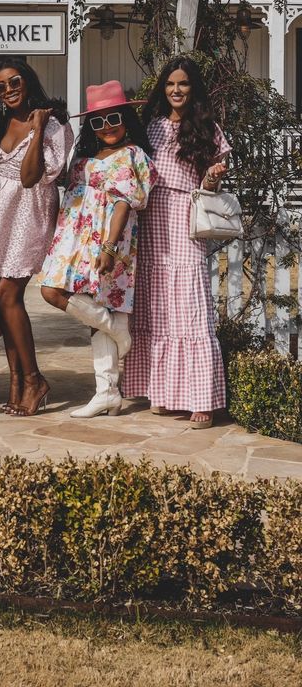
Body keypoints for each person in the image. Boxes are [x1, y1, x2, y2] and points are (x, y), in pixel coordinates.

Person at [123, 57, 231, 428]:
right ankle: (166, 392)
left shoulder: (206, 128)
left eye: (183, 84)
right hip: (151, 217)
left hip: (185, 216)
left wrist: (214, 176)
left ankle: (202, 400)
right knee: (157, 306)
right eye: (170, 84)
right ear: (162, 88)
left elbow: (210, 183)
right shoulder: (150, 127)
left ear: (193, 88)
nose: (176, 90)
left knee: (190, 305)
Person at [40, 81, 156, 418]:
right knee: (51, 291)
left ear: (126, 118)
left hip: (110, 241)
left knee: (97, 306)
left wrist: (108, 246)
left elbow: (122, 203)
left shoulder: (132, 154)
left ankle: (107, 391)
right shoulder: (85, 157)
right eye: (98, 121)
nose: (107, 127)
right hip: (74, 242)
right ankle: (114, 327)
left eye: (114, 118)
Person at [0, 58, 73, 416]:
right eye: (0, 86)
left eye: (14, 81)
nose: (8, 89)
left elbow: (34, 175)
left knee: (7, 292)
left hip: (29, 206)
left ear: (28, 80)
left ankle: (33, 379)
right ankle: (16, 380)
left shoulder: (53, 124)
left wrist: (38, 127)